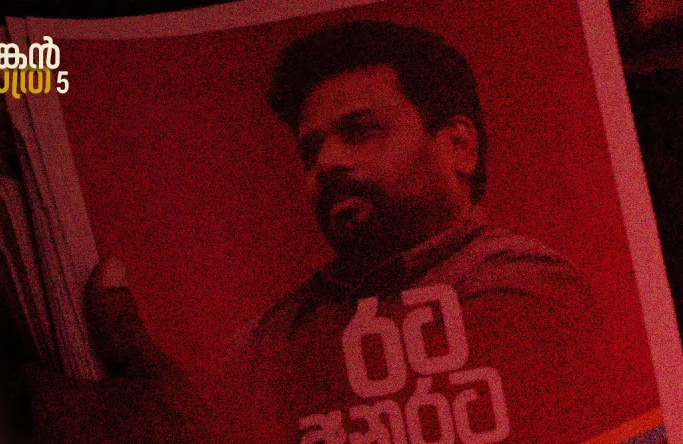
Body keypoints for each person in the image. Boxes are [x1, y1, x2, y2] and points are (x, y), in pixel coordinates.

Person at [222, 20, 661, 442]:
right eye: (310, 150)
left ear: (458, 145)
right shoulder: (269, 335)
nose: (326, 163)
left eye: (360, 132)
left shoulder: (521, 284)